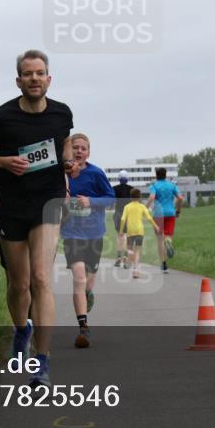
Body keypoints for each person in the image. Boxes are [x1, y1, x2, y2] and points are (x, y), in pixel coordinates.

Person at [0, 50, 78, 388]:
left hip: (47, 202)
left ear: (49, 78)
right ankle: (21, 330)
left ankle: (41, 362)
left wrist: (69, 161)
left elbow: (65, 142)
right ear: (18, 80)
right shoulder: (2, 117)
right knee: (19, 284)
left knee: (42, 279)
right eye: (27, 74)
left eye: (40, 73)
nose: (34, 78)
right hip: (12, 205)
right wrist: (3, 163)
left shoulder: (62, 112)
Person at [61, 133, 115, 349]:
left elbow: (110, 198)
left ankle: (89, 294)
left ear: (88, 152)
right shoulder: (63, 176)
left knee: (88, 283)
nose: (79, 151)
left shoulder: (96, 173)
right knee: (79, 278)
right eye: (75, 147)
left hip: (94, 234)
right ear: (69, 150)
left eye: (83, 148)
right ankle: (83, 327)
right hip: (71, 234)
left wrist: (90, 201)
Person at [147, 167, 183, 273]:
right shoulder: (172, 185)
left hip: (158, 214)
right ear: (165, 175)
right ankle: (168, 241)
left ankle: (163, 264)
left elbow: (152, 197)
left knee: (159, 239)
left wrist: (145, 208)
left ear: (156, 175)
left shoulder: (154, 185)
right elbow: (180, 198)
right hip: (170, 213)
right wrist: (178, 210)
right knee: (167, 236)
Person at [119, 188, 161, 279]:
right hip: (140, 231)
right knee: (137, 251)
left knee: (129, 249)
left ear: (131, 197)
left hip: (130, 231)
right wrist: (155, 226)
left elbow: (123, 219)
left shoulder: (127, 207)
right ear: (139, 197)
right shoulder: (142, 206)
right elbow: (149, 217)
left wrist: (121, 230)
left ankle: (131, 260)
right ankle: (136, 270)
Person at [111, 170, 132, 268]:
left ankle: (119, 257)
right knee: (127, 236)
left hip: (118, 213)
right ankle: (126, 258)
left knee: (120, 236)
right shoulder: (132, 189)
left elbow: (111, 202)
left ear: (119, 178)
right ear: (127, 178)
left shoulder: (114, 189)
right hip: (129, 214)